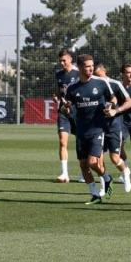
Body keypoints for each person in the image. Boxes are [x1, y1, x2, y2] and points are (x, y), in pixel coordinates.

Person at [61, 54, 118, 204]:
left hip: (97, 129)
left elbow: (113, 99)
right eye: (87, 66)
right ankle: (95, 194)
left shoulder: (101, 83)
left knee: (93, 162)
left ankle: (106, 178)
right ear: (79, 67)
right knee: (83, 165)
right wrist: (65, 108)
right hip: (81, 131)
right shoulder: (72, 88)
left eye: (92, 65)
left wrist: (110, 106)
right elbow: (65, 109)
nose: (91, 68)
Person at [93, 63, 131, 193]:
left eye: (96, 70)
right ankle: (104, 185)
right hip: (97, 126)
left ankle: (125, 172)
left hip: (114, 125)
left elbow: (129, 102)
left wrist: (116, 111)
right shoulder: (92, 85)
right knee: (98, 159)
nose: (93, 73)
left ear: (104, 70)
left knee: (114, 157)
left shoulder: (115, 84)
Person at [53, 49, 80, 183]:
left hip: (78, 112)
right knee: (62, 142)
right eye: (60, 61)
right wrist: (56, 97)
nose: (62, 63)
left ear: (70, 59)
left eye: (64, 60)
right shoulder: (59, 74)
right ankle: (64, 174)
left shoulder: (78, 73)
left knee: (82, 143)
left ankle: (83, 172)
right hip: (63, 112)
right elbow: (59, 92)